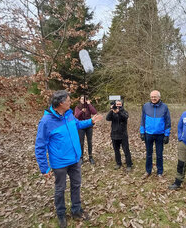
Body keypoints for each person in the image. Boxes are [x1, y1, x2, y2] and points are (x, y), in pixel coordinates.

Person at [35, 90, 103, 228]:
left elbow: (77, 124)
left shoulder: (69, 114)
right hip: (59, 163)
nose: (70, 102)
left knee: (76, 185)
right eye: (68, 100)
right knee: (60, 189)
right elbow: (40, 146)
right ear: (60, 103)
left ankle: (76, 210)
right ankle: (61, 214)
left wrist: (90, 121)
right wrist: (44, 167)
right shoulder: (46, 122)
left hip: (75, 159)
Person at [140, 90, 171, 178]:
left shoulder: (164, 107)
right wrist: (142, 132)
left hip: (160, 134)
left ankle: (159, 172)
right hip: (148, 134)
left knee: (159, 154)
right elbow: (143, 120)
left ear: (159, 97)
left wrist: (167, 134)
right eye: (152, 97)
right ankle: (148, 171)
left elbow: (168, 121)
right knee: (149, 154)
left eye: (155, 97)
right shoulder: (145, 106)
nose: (153, 98)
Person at [106, 100, 133, 172]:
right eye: (117, 104)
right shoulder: (113, 112)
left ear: (122, 105)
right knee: (116, 150)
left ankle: (129, 164)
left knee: (126, 150)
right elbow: (107, 118)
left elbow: (125, 117)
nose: (118, 105)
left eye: (119, 104)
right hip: (114, 134)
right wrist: (111, 110)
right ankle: (118, 163)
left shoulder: (124, 112)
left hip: (123, 134)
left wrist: (119, 112)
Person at [74, 95, 97, 164]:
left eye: (84, 99)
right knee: (81, 142)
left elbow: (94, 112)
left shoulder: (88, 106)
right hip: (81, 126)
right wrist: (81, 111)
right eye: (81, 99)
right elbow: (76, 116)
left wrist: (89, 104)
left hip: (89, 125)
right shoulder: (77, 107)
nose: (83, 100)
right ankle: (81, 157)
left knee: (89, 141)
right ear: (80, 100)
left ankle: (90, 156)